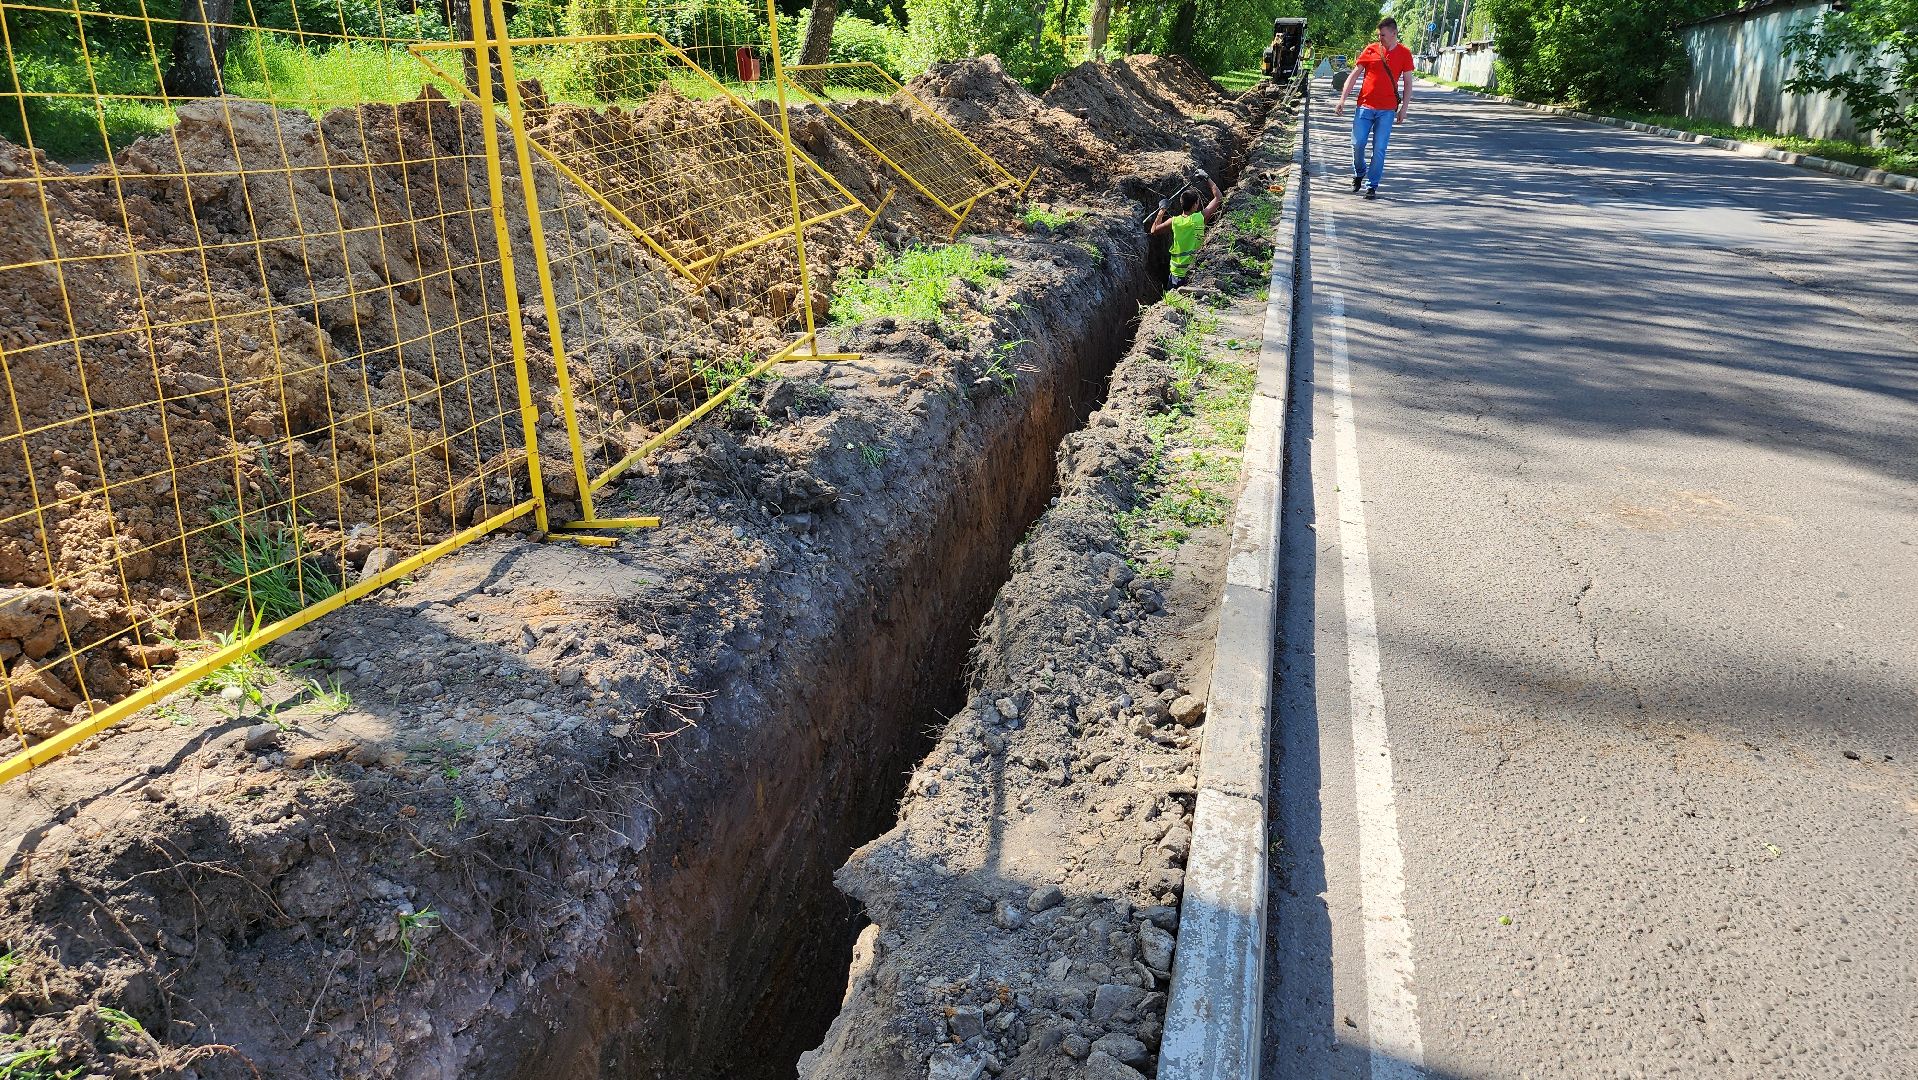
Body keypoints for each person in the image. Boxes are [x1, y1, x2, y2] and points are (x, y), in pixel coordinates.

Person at [1335, 17, 1414, 199]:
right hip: (1364, 106)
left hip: (1387, 110)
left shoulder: (1404, 53)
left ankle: (1372, 186)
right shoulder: (1370, 50)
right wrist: (1342, 100)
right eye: (1379, 35)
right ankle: (1360, 171)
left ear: (1394, 33)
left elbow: (1408, 83)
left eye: (1383, 35)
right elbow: (1353, 76)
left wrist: (1404, 108)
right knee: (1357, 143)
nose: (1380, 38)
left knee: (1379, 148)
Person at [1149, 175, 1223, 287]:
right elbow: (1218, 197)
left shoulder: (1174, 221)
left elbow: (1153, 230)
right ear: (1194, 206)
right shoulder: (1200, 218)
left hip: (1175, 273)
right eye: (1197, 203)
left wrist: (1162, 210)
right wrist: (1207, 178)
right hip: (1193, 272)